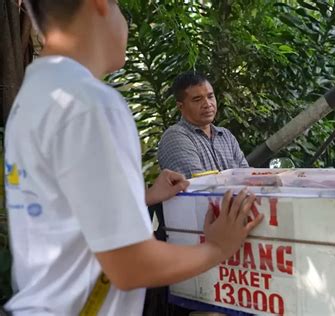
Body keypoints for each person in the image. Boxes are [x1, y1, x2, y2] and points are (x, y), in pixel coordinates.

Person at [3, 1, 262, 315]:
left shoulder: (35, 94)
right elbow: (129, 266)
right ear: (100, 4)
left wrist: (146, 195)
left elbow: (65, 212)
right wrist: (218, 247)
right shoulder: (91, 104)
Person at [158, 72, 249, 178]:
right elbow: (197, 186)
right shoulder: (175, 137)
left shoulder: (225, 136)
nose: (207, 104)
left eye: (210, 96)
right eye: (197, 100)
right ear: (180, 106)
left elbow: (247, 177)